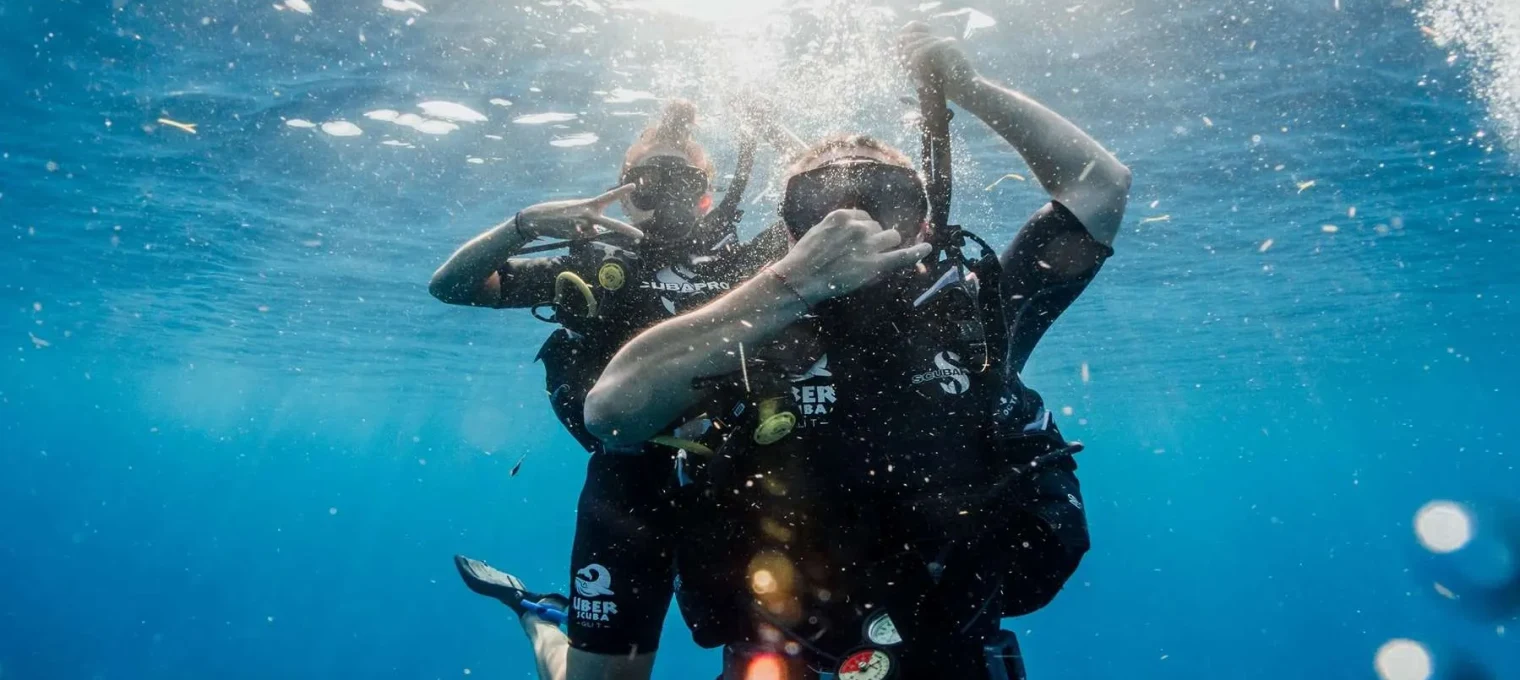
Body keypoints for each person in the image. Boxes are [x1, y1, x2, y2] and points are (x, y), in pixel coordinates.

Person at [585, 22, 1132, 679]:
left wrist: (970, 88)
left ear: (925, 221)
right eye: (820, 208)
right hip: (778, 656)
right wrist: (788, 287)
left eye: (886, 200)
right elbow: (611, 414)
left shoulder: (970, 314)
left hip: (946, 652)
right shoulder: (747, 323)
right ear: (788, 230)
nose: (856, 223)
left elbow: (1100, 184)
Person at [431, 99, 798, 680]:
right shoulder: (591, 266)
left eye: (681, 180)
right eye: (646, 180)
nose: (664, 192)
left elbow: (837, 204)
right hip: (627, 489)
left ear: (706, 192)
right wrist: (523, 226)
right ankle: (541, 616)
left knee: (770, 665)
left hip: (737, 483)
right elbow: (451, 287)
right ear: (625, 194)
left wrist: (774, 132)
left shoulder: (744, 263)